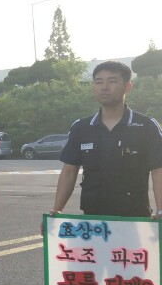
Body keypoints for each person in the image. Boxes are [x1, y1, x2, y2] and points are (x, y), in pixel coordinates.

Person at [50, 61, 162, 219]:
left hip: (135, 220)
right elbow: (69, 171)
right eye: (99, 82)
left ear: (127, 87)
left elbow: (158, 171)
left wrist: (161, 211)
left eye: (112, 81)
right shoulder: (81, 128)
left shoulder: (146, 126)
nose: (104, 87)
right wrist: (56, 211)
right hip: (93, 222)